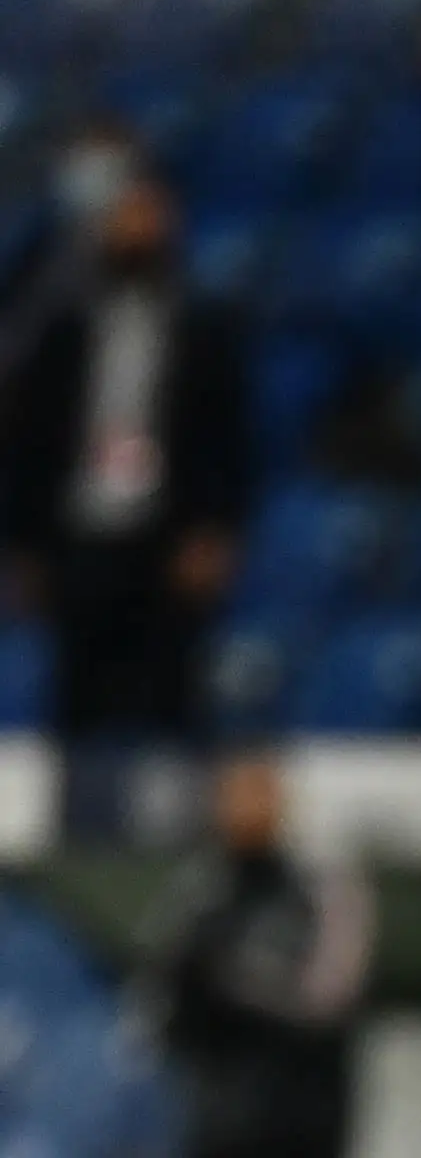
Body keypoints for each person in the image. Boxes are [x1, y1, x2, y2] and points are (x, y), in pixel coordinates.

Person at [0, 152, 247, 821]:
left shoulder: (201, 327)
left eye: (147, 212)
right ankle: (78, 828)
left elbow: (227, 440)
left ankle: (173, 832)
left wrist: (214, 531)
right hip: (80, 536)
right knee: (78, 698)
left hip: (167, 537)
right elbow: (31, 444)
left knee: (171, 698)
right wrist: (26, 544)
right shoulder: (65, 328)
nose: (135, 227)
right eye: (124, 214)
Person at [138, 754, 374, 1158]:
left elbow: (328, 999)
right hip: (216, 1119)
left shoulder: (322, 889)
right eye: (234, 796)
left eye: (258, 794)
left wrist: (231, 984)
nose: (245, 808)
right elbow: (158, 1000)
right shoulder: (201, 891)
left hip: (302, 1117)